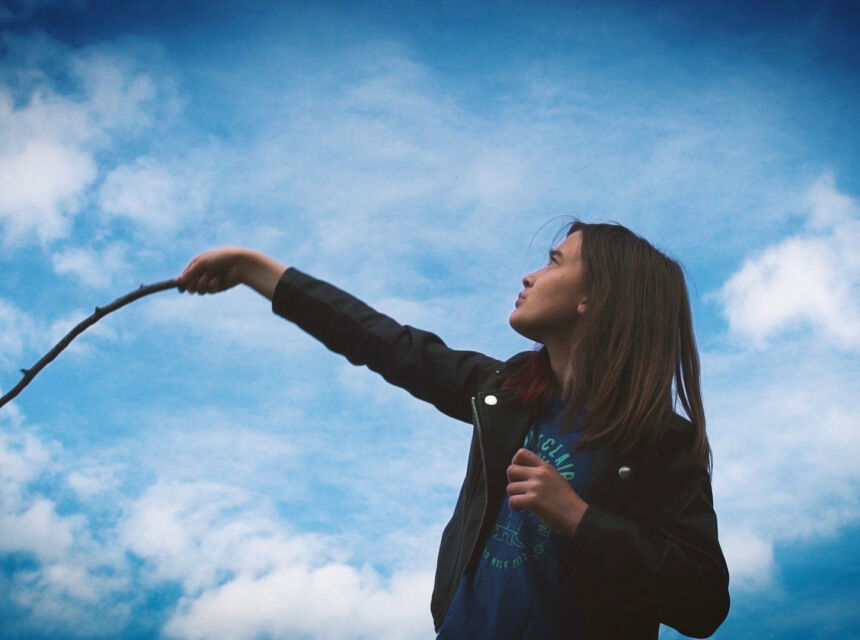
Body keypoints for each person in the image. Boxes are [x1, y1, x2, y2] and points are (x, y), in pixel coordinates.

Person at [176, 219, 730, 639]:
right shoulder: (503, 395)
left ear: (597, 299)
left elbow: (703, 603)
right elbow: (382, 341)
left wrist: (581, 520)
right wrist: (256, 270)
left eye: (555, 263)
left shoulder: (661, 441)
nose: (530, 275)